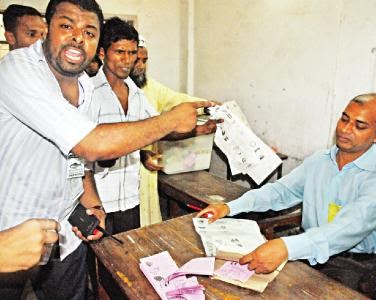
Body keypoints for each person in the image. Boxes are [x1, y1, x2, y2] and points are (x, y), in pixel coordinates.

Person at [0, 0, 213, 298]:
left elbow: (77, 159)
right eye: (66, 26)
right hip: (11, 233)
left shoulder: (83, 87)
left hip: (65, 230)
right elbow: (90, 143)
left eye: (89, 32)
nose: (78, 37)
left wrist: (93, 203)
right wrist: (169, 121)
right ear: (48, 29)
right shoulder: (19, 68)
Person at [197, 94, 376, 289]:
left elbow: (346, 229)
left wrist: (286, 247)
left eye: (359, 125)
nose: (345, 129)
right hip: (305, 250)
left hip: (353, 266)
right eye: (344, 119)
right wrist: (229, 207)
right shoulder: (320, 161)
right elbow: (281, 192)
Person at [90, 17, 219, 235]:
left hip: (130, 199)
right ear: (102, 53)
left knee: (125, 258)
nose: (127, 60)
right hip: (98, 202)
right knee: (97, 263)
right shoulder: (87, 93)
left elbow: (159, 130)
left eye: (132, 53)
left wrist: (198, 130)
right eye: (120, 52)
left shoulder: (137, 94)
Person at [130, 35, 218, 226]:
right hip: (122, 172)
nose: (141, 66)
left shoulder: (150, 87)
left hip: (147, 170)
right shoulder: (111, 91)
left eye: (145, 61)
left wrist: (209, 106)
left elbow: (178, 99)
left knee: (147, 224)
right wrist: (142, 153)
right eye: (136, 60)